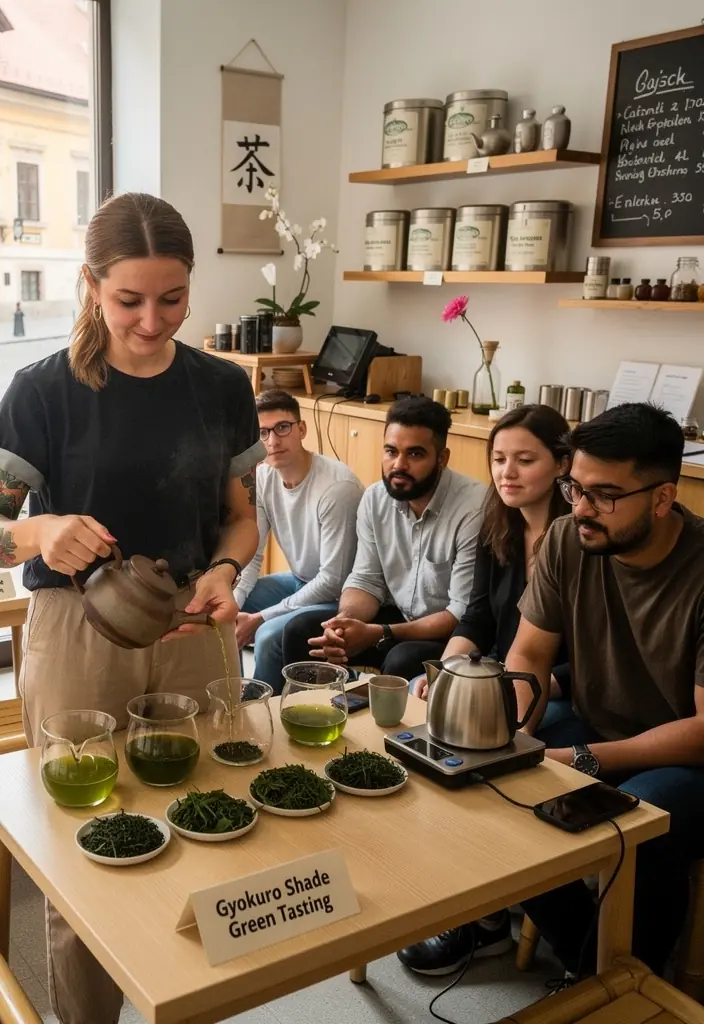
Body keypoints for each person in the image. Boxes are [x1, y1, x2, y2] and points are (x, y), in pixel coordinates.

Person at [0, 192, 262, 1024]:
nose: (153, 320)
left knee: (209, 818)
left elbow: (239, 513)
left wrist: (229, 570)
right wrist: (41, 532)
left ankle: (190, 1000)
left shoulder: (221, 387)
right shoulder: (45, 391)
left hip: (194, 625)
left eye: (173, 298)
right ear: (91, 285)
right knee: (83, 838)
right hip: (75, 631)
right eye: (130, 300)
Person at [508, 402, 704, 977]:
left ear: (664, 498)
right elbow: (529, 659)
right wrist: (513, 742)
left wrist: (583, 758)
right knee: (505, 795)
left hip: (689, 757)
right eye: (574, 488)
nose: (583, 509)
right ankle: (596, 975)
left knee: (638, 821)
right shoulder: (569, 539)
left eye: (605, 495)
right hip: (597, 726)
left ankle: (616, 981)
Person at [396, 403, 571, 976]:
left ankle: (487, 917)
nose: (507, 473)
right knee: (423, 732)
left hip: (560, 686)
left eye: (525, 460)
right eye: (499, 459)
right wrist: (445, 674)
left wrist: (497, 691)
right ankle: (460, 894)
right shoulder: (496, 525)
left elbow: (579, 654)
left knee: (481, 762)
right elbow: (473, 620)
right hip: (498, 673)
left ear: (562, 465)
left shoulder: (579, 537)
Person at [281, 396, 484, 680]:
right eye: (391, 451)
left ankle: (385, 725)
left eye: (415, 454)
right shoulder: (375, 498)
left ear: (442, 458)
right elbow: (366, 579)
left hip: (450, 635)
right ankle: (317, 717)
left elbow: (460, 614)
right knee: (301, 631)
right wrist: (343, 625)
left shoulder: (473, 509)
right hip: (395, 617)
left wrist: (378, 632)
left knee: (401, 659)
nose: (398, 464)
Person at [234, 389, 362, 690]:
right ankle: (232, 696)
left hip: (341, 596)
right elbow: (253, 555)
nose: (273, 441)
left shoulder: (336, 487)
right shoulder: (263, 477)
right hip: (299, 580)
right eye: (263, 432)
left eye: (282, 427)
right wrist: (235, 604)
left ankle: (260, 710)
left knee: (266, 635)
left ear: (301, 428)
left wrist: (260, 618)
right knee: (223, 609)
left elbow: (332, 580)